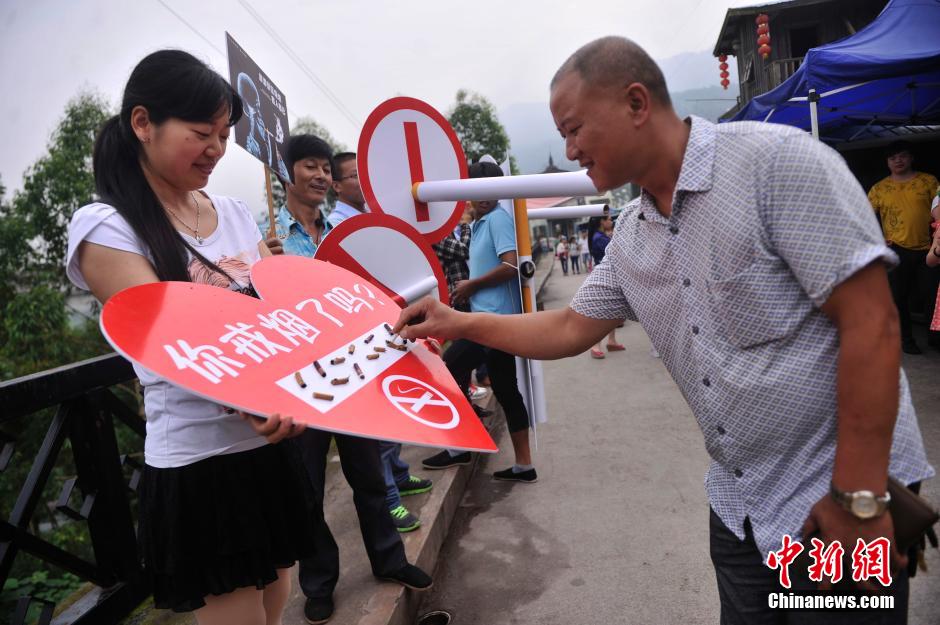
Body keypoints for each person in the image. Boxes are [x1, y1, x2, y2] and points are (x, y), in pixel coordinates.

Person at [395, 36, 934, 624]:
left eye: (574, 128)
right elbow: (571, 325)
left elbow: (873, 324)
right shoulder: (632, 233)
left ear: (635, 102)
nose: (570, 149)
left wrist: (857, 499)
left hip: (832, 493)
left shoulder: (775, 163)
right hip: (739, 505)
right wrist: (456, 320)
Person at [65, 50, 319, 625]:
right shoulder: (107, 228)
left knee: (276, 606)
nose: (217, 148)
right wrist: (252, 397)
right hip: (201, 464)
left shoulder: (232, 212)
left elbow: (275, 318)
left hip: (268, 449)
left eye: (225, 134)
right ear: (142, 123)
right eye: (202, 132)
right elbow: (170, 339)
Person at [259, 139, 431, 624]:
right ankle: (319, 584)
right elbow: (254, 311)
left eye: (324, 168)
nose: (320, 175)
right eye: (308, 166)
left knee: (370, 476)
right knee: (308, 489)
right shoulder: (264, 235)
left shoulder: (346, 230)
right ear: (285, 174)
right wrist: (260, 266)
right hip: (300, 384)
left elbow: (368, 291)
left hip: (353, 373)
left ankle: (390, 560)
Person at [422, 161, 536, 483]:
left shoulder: (498, 219)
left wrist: (472, 285)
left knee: (447, 369)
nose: (482, 196)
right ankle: (524, 465)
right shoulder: (480, 223)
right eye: (476, 188)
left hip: (493, 322)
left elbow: (511, 265)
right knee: (504, 388)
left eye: (489, 188)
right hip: (486, 318)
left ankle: (461, 446)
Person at [868, 141, 940, 354]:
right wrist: (878, 239)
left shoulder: (928, 181)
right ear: (887, 162)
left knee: (932, 296)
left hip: (929, 248)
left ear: (911, 158)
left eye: (902, 156)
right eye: (893, 158)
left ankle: (934, 339)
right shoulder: (879, 188)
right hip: (896, 249)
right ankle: (906, 341)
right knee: (899, 297)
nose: (898, 160)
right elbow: (863, 214)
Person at [586, 215, 624, 359]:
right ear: (601, 221)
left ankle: (611, 341)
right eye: (608, 219)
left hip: (607, 274)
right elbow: (615, 252)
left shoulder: (599, 236)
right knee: (602, 312)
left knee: (613, 311)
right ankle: (595, 345)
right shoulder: (599, 238)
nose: (611, 221)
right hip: (604, 276)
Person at [326, 151, 368, 230]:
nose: (364, 179)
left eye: (364, 172)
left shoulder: (374, 212)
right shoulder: (336, 224)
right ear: (337, 186)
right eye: (355, 175)